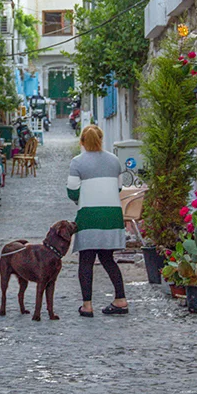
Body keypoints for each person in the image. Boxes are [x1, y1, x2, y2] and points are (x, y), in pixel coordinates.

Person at [67, 124, 128, 317]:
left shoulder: (77, 162)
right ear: (101, 139)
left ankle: (87, 305)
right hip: (112, 215)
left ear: (82, 141)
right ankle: (120, 299)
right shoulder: (114, 161)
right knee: (108, 258)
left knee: (86, 260)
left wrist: (82, 197)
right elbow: (119, 188)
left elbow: (72, 191)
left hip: (89, 215)